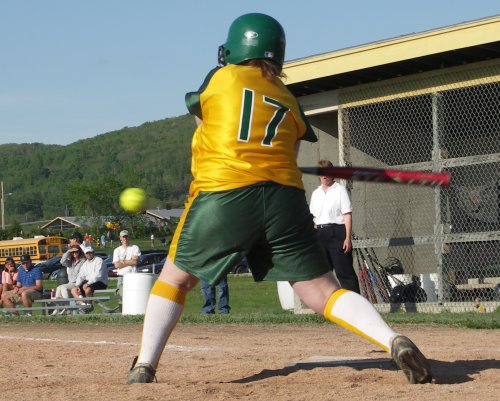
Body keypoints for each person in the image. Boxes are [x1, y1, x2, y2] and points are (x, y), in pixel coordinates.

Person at [126, 13, 433, 385]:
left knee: (174, 280)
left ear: (233, 49)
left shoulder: (220, 76)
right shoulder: (288, 97)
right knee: (322, 291)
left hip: (225, 191)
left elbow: (202, 117)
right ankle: (392, 338)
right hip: (284, 197)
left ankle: (144, 365)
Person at [309, 159, 360, 293]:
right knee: (323, 274)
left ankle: (354, 305)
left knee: (344, 272)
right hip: (320, 233)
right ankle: (326, 307)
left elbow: (347, 214)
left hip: (337, 232)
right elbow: (313, 217)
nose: (325, 176)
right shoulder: (316, 193)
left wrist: (347, 238)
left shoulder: (340, 190)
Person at [71, 246, 108, 313]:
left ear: (93, 253)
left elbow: (98, 276)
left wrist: (87, 284)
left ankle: (89, 305)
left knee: (87, 290)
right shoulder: (85, 264)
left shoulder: (99, 260)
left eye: (90, 253)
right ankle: (83, 305)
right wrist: (77, 285)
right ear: (85, 254)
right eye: (87, 253)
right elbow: (81, 276)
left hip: (100, 282)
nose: (88, 254)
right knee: (74, 290)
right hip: (89, 282)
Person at [51, 244, 85, 315]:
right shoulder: (70, 262)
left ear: (79, 252)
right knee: (59, 287)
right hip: (71, 283)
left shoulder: (82, 261)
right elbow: (62, 261)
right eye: (73, 252)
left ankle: (67, 307)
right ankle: (58, 308)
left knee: (63, 287)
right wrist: (68, 251)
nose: (74, 253)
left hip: (78, 283)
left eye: (76, 251)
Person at [112, 230, 141, 297]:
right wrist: (130, 261)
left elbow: (135, 261)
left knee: (133, 297)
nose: (125, 238)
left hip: (133, 276)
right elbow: (116, 265)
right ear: (120, 238)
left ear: (128, 237)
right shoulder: (117, 250)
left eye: (126, 236)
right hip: (121, 277)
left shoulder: (134, 247)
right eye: (123, 237)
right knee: (122, 297)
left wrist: (123, 262)